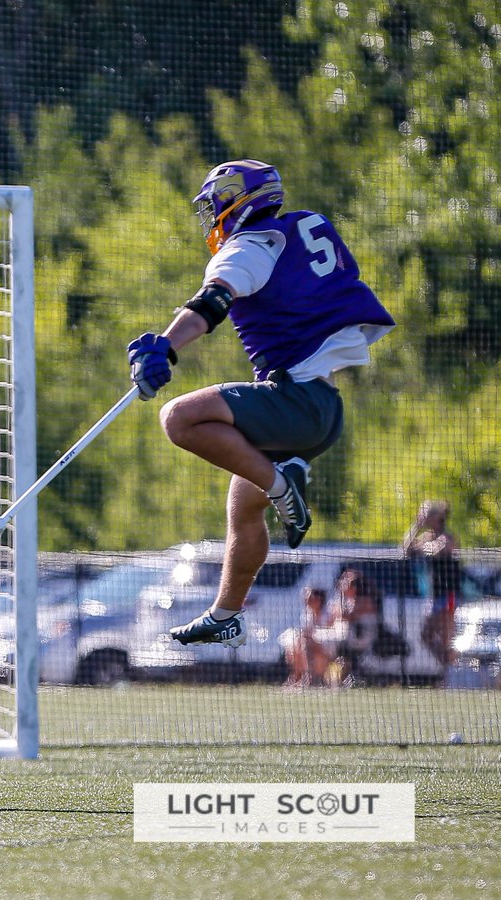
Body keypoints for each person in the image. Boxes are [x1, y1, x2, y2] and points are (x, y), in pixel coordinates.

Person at [127, 159, 394, 648]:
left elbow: (212, 301)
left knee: (179, 418)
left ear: (237, 198)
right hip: (321, 410)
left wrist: (164, 346)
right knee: (242, 510)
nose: (212, 216)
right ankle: (226, 613)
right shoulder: (302, 229)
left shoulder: (252, 244)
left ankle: (281, 482)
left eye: (215, 204)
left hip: (294, 399)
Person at [403, 499, 461, 668]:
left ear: (438, 516)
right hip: (435, 595)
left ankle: (452, 670)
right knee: (430, 636)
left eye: (427, 514)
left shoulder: (448, 538)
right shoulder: (427, 536)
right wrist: (416, 525)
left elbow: (438, 550)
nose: (425, 517)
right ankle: (449, 668)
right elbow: (406, 549)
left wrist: (424, 548)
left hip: (449, 595)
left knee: (441, 636)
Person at [324, 568, 381, 686]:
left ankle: (340, 680)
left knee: (335, 647)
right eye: (343, 580)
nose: (343, 582)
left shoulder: (366, 600)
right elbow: (330, 620)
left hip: (361, 637)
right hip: (345, 637)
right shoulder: (341, 600)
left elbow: (347, 615)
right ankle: (329, 680)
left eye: (347, 581)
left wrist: (341, 599)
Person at [283, 586, 331, 686]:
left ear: (318, 599)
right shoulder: (307, 614)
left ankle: (306, 679)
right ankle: (298, 677)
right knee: (294, 647)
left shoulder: (328, 613)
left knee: (304, 644)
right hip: (311, 643)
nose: (306, 600)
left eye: (310, 598)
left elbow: (329, 632)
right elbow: (305, 632)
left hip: (328, 644)